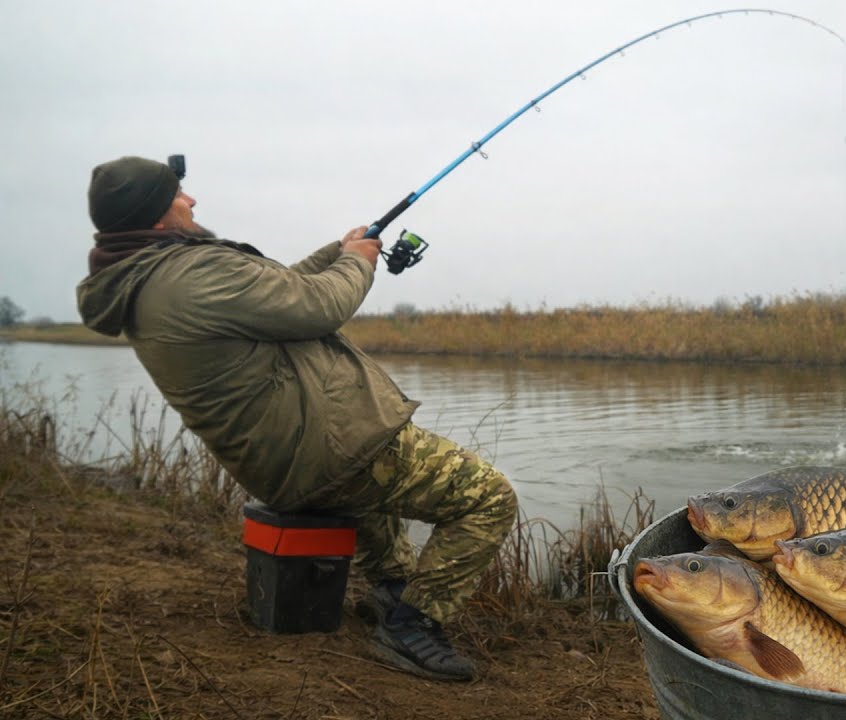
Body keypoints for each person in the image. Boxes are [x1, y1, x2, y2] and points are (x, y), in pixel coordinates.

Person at [75, 155, 518, 682]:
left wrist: (340, 249)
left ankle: (393, 589)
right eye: (178, 196)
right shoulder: (189, 274)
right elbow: (316, 308)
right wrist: (359, 263)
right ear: (153, 215)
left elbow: (279, 293)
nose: (191, 201)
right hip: (323, 454)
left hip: (285, 461)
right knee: (488, 497)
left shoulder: (153, 279)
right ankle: (412, 625)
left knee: (373, 478)